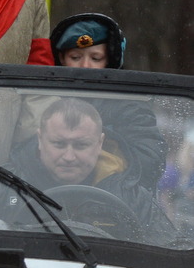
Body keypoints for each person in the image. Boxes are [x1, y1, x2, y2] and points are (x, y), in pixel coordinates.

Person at [0, 98, 170, 234]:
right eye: (59, 144)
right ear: (40, 140)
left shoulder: (129, 195)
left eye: (81, 145)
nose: (69, 156)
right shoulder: (2, 186)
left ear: (100, 144)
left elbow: (169, 249)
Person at [50, 12, 165, 189]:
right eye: (75, 57)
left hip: (113, 201)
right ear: (62, 59)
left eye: (95, 58)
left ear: (109, 61)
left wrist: (105, 161)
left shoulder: (130, 106)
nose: (85, 66)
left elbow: (150, 163)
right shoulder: (43, 99)